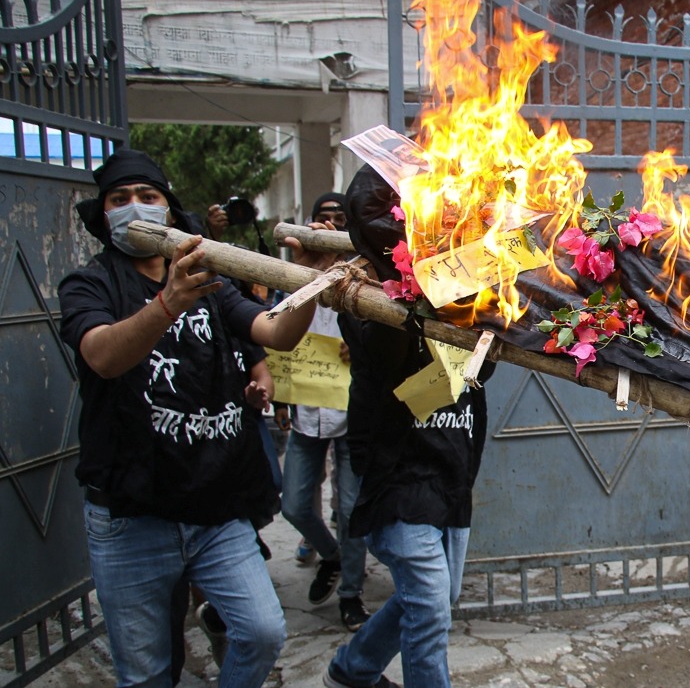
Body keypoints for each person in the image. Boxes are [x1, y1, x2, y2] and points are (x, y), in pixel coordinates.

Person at [58, 148, 335, 687]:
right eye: (120, 198)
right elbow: (102, 357)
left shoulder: (211, 280)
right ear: (104, 213)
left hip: (216, 506)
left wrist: (311, 280)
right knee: (147, 673)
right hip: (130, 516)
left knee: (261, 632)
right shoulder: (90, 284)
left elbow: (276, 332)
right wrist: (167, 303)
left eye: (148, 195)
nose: (135, 206)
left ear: (168, 208)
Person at [323, 165, 494, 688]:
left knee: (438, 597)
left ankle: (352, 670)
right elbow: (391, 361)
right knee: (429, 604)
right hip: (397, 470)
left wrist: (487, 292)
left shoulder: (473, 280)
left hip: (452, 462)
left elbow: (483, 369)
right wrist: (418, 285)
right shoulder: (361, 290)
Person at [279, 192, 371, 632]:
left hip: (352, 414)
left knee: (351, 509)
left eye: (340, 218)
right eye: (323, 218)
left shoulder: (369, 275)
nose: (330, 224)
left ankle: (351, 593)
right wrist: (280, 398)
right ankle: (330, 555)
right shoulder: (292, 274)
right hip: (306, 413)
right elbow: (276, 332)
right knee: (295, 504)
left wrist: (362, 347)